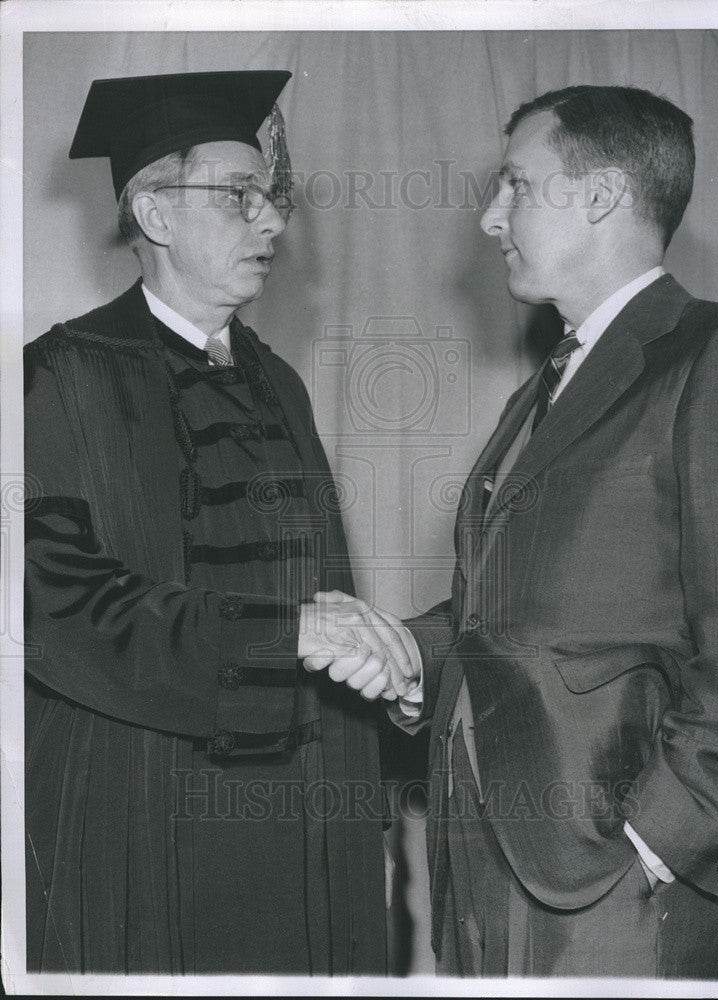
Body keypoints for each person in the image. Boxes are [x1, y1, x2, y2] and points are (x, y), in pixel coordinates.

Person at [303, 86, 718, 978]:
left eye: (516, 184)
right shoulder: (553, 378)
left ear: (598, 196)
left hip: (613, 886)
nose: (490, 216)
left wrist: (658, 843)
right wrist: (410, 649)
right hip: (486, 867)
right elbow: (515, 608)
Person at [24, 70, 398, 975]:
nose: (271, 221)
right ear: (153, 215)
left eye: (270, 198)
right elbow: (51, 605)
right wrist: (276, 639)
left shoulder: (281, 383)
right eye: (239, 197)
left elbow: (327, 589)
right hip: (146, 804)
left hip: (305, 811)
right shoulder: (58, 377)